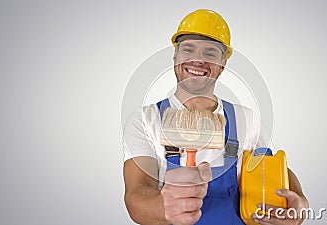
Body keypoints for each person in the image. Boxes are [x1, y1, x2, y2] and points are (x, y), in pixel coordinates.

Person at [123, 9, 309, 225]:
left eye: (210, 53)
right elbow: (135, 196)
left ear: (223, 64)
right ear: (175, 55)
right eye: (188, 49)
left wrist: (299, 200)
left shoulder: (245, 119)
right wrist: (164, 205)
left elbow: (274, 168)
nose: (197, 60)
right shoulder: (146, 119)